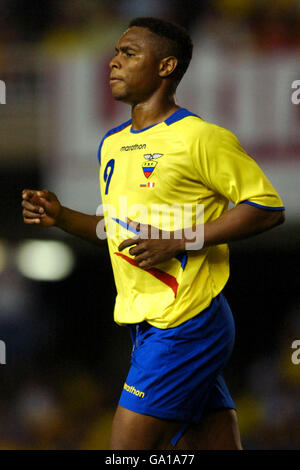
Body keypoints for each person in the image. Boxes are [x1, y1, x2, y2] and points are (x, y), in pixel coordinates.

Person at [22, 17, 285, 450]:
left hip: (186, 321)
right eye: (114, 53)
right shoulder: (112, 142)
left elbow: (266, 209)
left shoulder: (201, 137)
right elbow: (118, 232)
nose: (113, 62)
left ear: (166, 67)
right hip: (147, 323)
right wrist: (62, 216)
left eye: (129, 53)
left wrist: (180, 239)